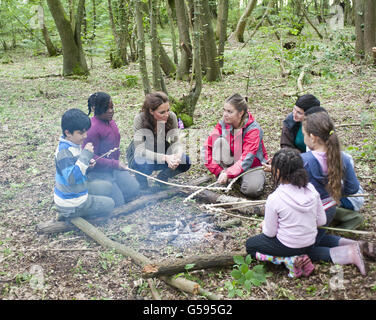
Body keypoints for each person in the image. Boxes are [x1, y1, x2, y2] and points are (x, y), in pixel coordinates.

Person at [301, 111, 371, 274]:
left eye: (304, 134)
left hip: (310, 213)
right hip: (330, 210)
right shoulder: (343, 158)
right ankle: (354, 245)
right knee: (315, 237)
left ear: (312, 137)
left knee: (301, 249)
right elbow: (353, 188)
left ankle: (349, 254)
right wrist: (334, 192)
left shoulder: (305, 161)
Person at [245, 148, 325, 278]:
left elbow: (269, 233)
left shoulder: (275, 198)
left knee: (250, 246)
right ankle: (302, 257)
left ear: (277, 172)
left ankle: (289, 260)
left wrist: (264, 224)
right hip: (310, 243)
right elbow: (322, 221)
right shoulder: (311, 189)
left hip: (288, 245)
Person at [203, 93, 269, 198]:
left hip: (252, 165)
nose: (225, 114)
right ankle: (226, 176)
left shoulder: (253, 129)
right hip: (231, 160)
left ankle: (236, 177)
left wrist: (229, 173)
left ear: (241, 113)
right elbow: (206, 148)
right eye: (224, 110)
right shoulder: (223, 123)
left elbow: (247, 158)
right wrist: (219, 171)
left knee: (252, 191)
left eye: (229, 111)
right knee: (219, 143)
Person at [54, 108, 115, 220]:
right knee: (110, 204)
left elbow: (78, 166)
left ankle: (81, 207)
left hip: (76, 190)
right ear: (68, 133)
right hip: (72, 203)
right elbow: (71, 178)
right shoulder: (64, 153)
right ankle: (72, 214)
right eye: (81, 133)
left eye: (86, 131)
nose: (85, 136)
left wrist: (87, 164)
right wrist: (86, 155)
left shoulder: (73, 144)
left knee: (108, 187)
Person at [83, 92, 140, 207]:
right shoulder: (92, 129)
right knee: (118, 203)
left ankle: (115, 188)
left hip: (113, 169)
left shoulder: (111, 122)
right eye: (105, 109)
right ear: (94, 108)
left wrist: (116, 165)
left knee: (134, 189)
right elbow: (91, 158)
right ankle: (89, 193)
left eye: (111, 107)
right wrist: (115, 164)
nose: (110, 111)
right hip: (98, 172)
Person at [126, 91, 191, 188]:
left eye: (168, 110)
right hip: (142, 154)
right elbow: (140, 151)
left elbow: (176, 142)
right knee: (141, 162)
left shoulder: (171, 117)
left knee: (185, 160)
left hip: (161, 148)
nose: (166, 115)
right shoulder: (139, 119)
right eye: (162, 112)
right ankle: (142, 184)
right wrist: (165, 157)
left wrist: (177, 156)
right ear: (151, 111)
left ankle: (162, 178)